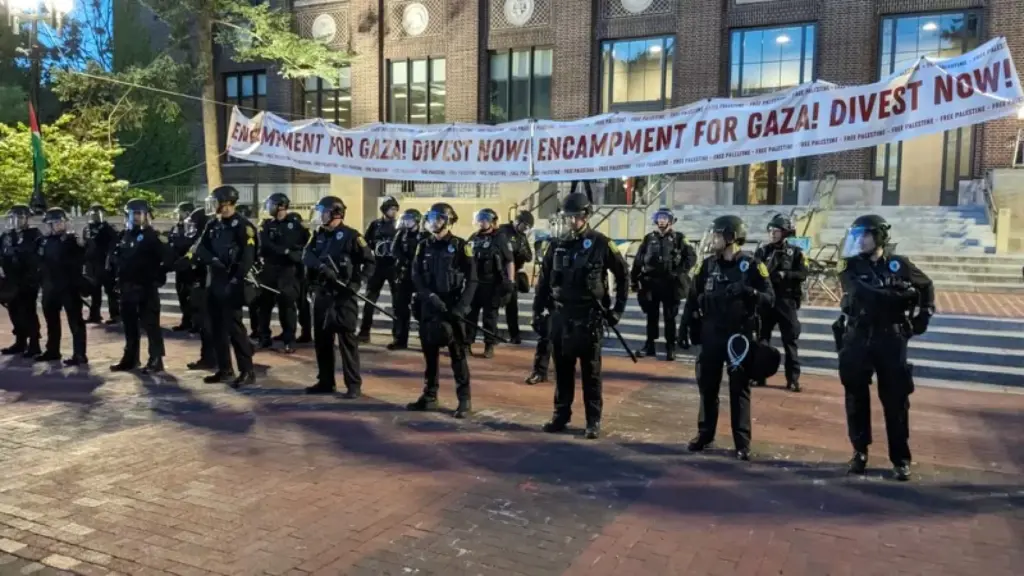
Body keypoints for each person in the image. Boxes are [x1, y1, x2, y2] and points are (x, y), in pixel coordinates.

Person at [835, 214, 934, 482]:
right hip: (859, 336)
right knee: (856, 396)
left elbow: (925, 285)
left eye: (865, 235)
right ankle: (859, 451)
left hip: (891, 338)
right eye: (858, 236)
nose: (860, 241)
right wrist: (901, 296)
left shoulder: (898, 264)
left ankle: (900, 458)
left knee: (896, 399)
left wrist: (923, 313)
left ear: (878, 236)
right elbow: (863, 292)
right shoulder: (850, 265)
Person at [532, 192, 629, 439]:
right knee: (562, 371)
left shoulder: (601, 243)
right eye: (567, 218)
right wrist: (537, 312)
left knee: (591, 373)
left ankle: (592, 420)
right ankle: (560, 415)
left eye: (575, 217)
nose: (570, 222)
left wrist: (617, 309)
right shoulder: (555, 245)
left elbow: (623, 275)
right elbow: (543, 282)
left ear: (586, 217)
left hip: (589, 317)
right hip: (561, 316)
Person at [682, 215, 774, 460]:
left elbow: (769, 298)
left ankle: (742, 442)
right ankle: (705, 433)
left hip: (739, 336)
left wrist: (749, 291)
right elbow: (693, 296)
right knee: (707, 386)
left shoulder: (752, 265)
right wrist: (685, 326)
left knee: (739, 389)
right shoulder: (708, 265)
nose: (713, 240)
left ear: (731, 237)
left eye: (718, 235)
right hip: (712, 332)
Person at [406, 203, 477, 418]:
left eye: (438, 218)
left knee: (457, 356)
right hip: (429, 307)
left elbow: (472, 279)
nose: (433, 222)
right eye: (431, 218)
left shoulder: (460, 246)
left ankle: (464, 400)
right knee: (430, 355)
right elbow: (416, 275)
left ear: (448, 221)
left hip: (451, 308)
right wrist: (428, 296)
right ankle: (429, 396)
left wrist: (462, 307)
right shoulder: (423, 245)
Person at [302, 196, 375, 396]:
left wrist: (356, 283)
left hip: (343, 295)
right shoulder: (318, 235)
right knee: (322, 341)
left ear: (335, 213)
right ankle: (325, 381)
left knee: (347, 341)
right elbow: (306, 256)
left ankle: (353, 385)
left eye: (323, 212)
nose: (319, 216)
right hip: (322, 294)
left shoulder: (352, 236)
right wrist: (321, 267)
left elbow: (369, 262)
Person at [193, 186, 258, 387]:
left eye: (216, 201)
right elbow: (200, 248)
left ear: (227, 203)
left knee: (235, 329)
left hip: (233, 282)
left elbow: (248, 258)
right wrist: (212, 260)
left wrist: (236, 280)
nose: (212, 206)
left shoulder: (243, 226)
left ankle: (247, 371)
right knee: (216, 328)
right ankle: (225, 369)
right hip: (216, 280)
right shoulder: (213, 224)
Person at [109, 199, 172, 374]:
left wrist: (157, 276)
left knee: (150, 325)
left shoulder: (153, 236)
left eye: (139, 213)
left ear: (146, 216)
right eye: (132, 214)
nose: (135, 217)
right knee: (129, 325)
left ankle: (156, 359)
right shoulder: (125, 235)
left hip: (145, 287)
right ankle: (130, 358)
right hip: (127, 287)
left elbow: (168, 259)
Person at [630, 208, 696, 361]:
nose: (661, 221)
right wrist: (634, 279)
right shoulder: (648, 239)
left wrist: (679, 272)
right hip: (651, 283)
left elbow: (691, 257)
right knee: (651, 316)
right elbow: (638, 260)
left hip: (670, 283)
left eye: (665, 218)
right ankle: (650, 345)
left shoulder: (679, 238)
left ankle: (670, 347)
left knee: (670, 317)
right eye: (659, 217)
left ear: (671, 221)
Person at [754, 214, 808, 392]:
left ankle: (792, 379)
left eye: (776, 231)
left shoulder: (795, 252)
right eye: (770, 230)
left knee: (790, 340)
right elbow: (754, 271)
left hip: (786, 300)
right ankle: (759, 375)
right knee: (762, 339)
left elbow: (803, 273)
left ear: (784, 232)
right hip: (766, 300)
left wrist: (786, 275)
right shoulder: (763, 251)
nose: (772, 234)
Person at [35, 208, 88, 366]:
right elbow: (39, 261)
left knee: (75, 321)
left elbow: (81, 258)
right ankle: (52, 350)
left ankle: (79, 354)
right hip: (50, 286)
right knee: (51, 320)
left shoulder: (72, 240)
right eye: (55, 223)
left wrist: (83, 244)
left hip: (68, 287)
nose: (58, 225)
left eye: (60, 222)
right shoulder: (44, 241)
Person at [255, 193, 306, 353]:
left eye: (271, 205)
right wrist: (284, 250)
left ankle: (289, 339)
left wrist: (292, 253)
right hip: (270, 268)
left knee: (287, 305)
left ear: (279, 206)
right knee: (264, 305)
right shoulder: (266, 225)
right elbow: (265, 245)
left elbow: (303, 243)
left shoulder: (294, 225)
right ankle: (264, 337)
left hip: (288, 270)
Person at [466, 208, 515, 358]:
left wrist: (510, 281)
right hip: (475, 283)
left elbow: (509, 260)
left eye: (485, 219)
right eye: (480, 219)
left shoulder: (500, 238)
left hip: (492, 283)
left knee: (490, 316)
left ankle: (489, 345)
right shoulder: (474, 237)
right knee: (470, 315)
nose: (482, 222)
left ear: (493, 222)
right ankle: (467, 344)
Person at [176, 208, 217, 370]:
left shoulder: (210, 242)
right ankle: (207, 357)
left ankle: (211, 358)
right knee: (204, 324)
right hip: (199, 286)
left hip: (208, 287)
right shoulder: (199, 242)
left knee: (210, 325)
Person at [0, 205, 43, 358]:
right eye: (13, 218)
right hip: (11, 279)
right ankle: (20, 341)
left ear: (27, 219)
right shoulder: (6, 235)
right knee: (14, 311)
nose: (16, 221)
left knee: (28, 311)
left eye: (20, 218)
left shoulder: (34, 234)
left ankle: (34, 343)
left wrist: (18, 252)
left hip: (27, 279)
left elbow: (35, 256)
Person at [358, 196, 400, 342]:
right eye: (391, 209)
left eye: (395, 209)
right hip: (378, 266)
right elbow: (365, 243)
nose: (393, 212)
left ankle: (398, 335)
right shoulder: (374, 225)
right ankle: (364, 332)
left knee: (397, 301)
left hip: (393, 267)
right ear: (384, 209)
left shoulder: (400, 225)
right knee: (370, 299)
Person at [388, 208, 428, 350]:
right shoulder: (401, 234)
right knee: (400, 309)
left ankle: (426, 340)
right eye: (404, 219)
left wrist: (415, 263)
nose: (405, 222)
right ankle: (400, 339)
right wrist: (404, 261)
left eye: (409, 219)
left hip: (419, 278)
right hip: (404, 276)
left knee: (421, 309)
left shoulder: (424, 235)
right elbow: (394, 250)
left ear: (416, 220)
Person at [498, 210, 534, 344]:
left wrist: (521, 253)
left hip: (514, 275)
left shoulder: (522, 236)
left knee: (512, 306)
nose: (525, 229)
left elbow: (529, 256)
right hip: (500, 273)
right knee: (494, 305)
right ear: (518, 222)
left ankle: (515, 334)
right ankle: (491, 335)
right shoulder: (503, 231)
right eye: (524, 226)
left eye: (528, 227)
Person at [82, 204, 120, 325]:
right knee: (94, 291)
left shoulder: (109, 228)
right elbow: (85, 245)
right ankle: (94, 315)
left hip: (105, 264)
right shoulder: (87, 228)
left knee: (110, 291)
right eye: (93, 213)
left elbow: (114, 245)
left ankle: (115, 314)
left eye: (98, 213)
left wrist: (110, 260)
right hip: (92, 265)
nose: (95, 216)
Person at [167, 202, 197, 332]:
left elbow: (189, 243)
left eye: (180, 212)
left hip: (190, 266)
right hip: (179, 265)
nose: (178, 215)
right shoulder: (176, 227)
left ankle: (196, 323)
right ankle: (186, 321)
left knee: (192, 296)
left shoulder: (192, 227)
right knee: (182, 294)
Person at [292, 212, 313, 344]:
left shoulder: (306, 235)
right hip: (292, 274)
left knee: (303, 305)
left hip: (303, 275)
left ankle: (306, 332)